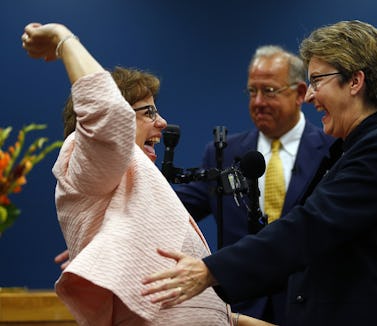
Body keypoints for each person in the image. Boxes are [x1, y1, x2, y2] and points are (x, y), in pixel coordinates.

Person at [142, 20, 377, 325]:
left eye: (318, 81)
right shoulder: (352, 146)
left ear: (354, 81)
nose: (311, 97)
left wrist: (210, 271)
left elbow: (310, 227)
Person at [21, 22, 276, 326]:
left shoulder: (134, 187)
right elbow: (109, 115)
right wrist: (64, 39)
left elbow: (170, 309)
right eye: (148, 113)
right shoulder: (85, 156)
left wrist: (232, 320)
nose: (162, 122)